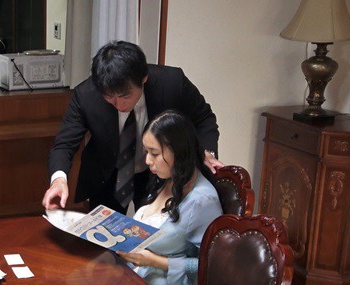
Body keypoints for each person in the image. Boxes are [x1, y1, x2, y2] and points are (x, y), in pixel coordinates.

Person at [42, 41, 224, 215]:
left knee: (154, 229)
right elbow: (64, 144)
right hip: (108, 174)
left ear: (143, 78)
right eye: (110, 97)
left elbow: (204, 118)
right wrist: (58, 179)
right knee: (101, 232)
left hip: (159, 174)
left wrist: (206, 152)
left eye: (125, 96)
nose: (119, 104)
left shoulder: (172, 83)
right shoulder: (85, 96)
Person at [116, 110, 223, 285]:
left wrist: (153, 261)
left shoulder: (202, 201)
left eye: (155, 153)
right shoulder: (168, 179)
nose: (148, 161)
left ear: (178, 151)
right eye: (146, 152)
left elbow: (212, 267)